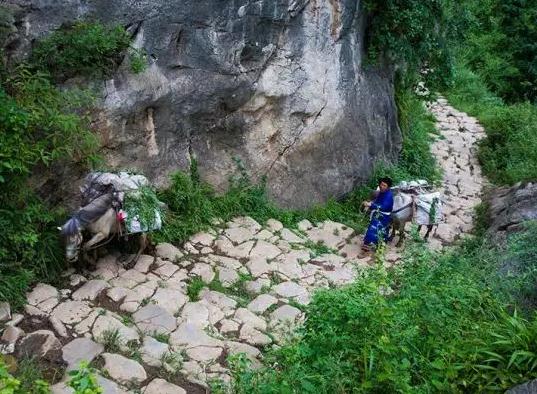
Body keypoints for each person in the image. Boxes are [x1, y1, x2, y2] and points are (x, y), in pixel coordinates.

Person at [362, 177, 394, 252]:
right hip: (379, 214)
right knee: (382, 231)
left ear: (388, 187)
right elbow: (378, 201)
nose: (382, 186)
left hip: (383, 216)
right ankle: (380, 245)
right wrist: (372, 203)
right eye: (381, 184)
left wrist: (371, 205)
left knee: (372, 229)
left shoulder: (389, 196)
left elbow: (384, 207)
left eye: (384, 185)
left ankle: (366, 249)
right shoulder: (382, 192)